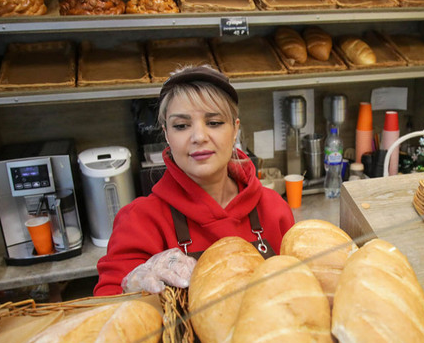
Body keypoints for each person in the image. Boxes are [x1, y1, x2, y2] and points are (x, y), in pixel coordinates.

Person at [94, 65, 295, 296]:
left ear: (235, 130)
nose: (199, 137)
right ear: (167, 135)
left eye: (214, 122)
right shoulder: (140, 221)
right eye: (181, 126)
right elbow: (105, 309)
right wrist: (133, 285)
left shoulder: (273, 208)